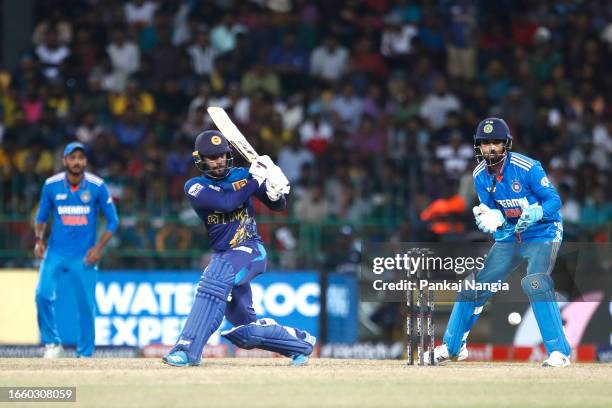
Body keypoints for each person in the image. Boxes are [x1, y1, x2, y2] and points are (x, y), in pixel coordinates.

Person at [162, 130, 316, 367]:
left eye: (222, 155)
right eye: (212, 157)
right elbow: (226, 203)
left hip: (251, 250)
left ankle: (186, 349)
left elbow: (278, 205)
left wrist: (276, 187)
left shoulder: (243, 175)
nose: (219, 160)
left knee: (215, 275)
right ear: (200, 159)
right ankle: (300, 343)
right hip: (224, 255)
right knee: (246, 332)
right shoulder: (194, 187)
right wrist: (255, 179)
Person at [429, 118, 570, 367]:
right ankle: (452, 347)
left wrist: (538, 212)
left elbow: (554, 200)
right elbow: (493, 213)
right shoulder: (479, 176)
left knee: (536, 282)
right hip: (511, 236)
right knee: (471, 287)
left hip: (543, 231)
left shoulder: (527, 167)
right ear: (478, 146)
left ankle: (559, 352)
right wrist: (491, 221)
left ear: (506, 144)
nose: (491, 148)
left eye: (496, 142)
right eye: (485, 143)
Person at [34, 142, 119, 358]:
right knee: (42, 294)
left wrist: (98, 248)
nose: (76, 162)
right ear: (64, 161)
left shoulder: (97, 186)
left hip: (84, 256)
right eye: (72, 158)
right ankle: (52, 344)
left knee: (85, 306)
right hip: (55, 252)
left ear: (86, 162)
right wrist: (38, 240)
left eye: (80, 158)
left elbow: (113, 221)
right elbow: (41, 217)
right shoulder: (51, 185)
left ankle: (85, 354)